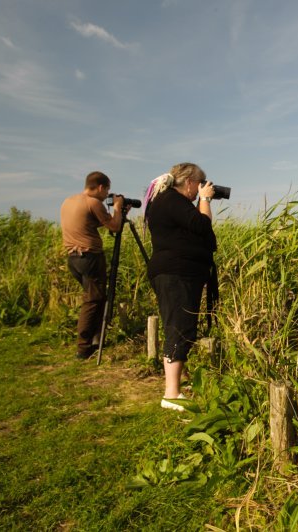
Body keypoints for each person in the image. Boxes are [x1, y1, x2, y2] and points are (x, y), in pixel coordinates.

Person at [145, 162, 217, 411]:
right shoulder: (172, 200)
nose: (200, 190)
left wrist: (201, 202)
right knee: (179, 326)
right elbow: (202, 225)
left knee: (177, 324)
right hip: (177, 273)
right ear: (189, 182)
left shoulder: (168, 202)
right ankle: (171, 394)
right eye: (199, 185)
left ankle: (180, 380)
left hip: (174, 272)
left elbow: (193, 226)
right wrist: (206, 200)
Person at [60, 171, 129, 360]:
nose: (107, 194)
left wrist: (120, 213)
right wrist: (117, 208)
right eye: (107, 190)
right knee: (92, 301)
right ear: (100, 187)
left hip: (73, 259)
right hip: (89, 257)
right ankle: (83, 348)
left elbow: (88, 223)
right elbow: (114, 227)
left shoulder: (69, 201)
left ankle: (96, 340)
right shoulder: (93, 202)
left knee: (96, 298)